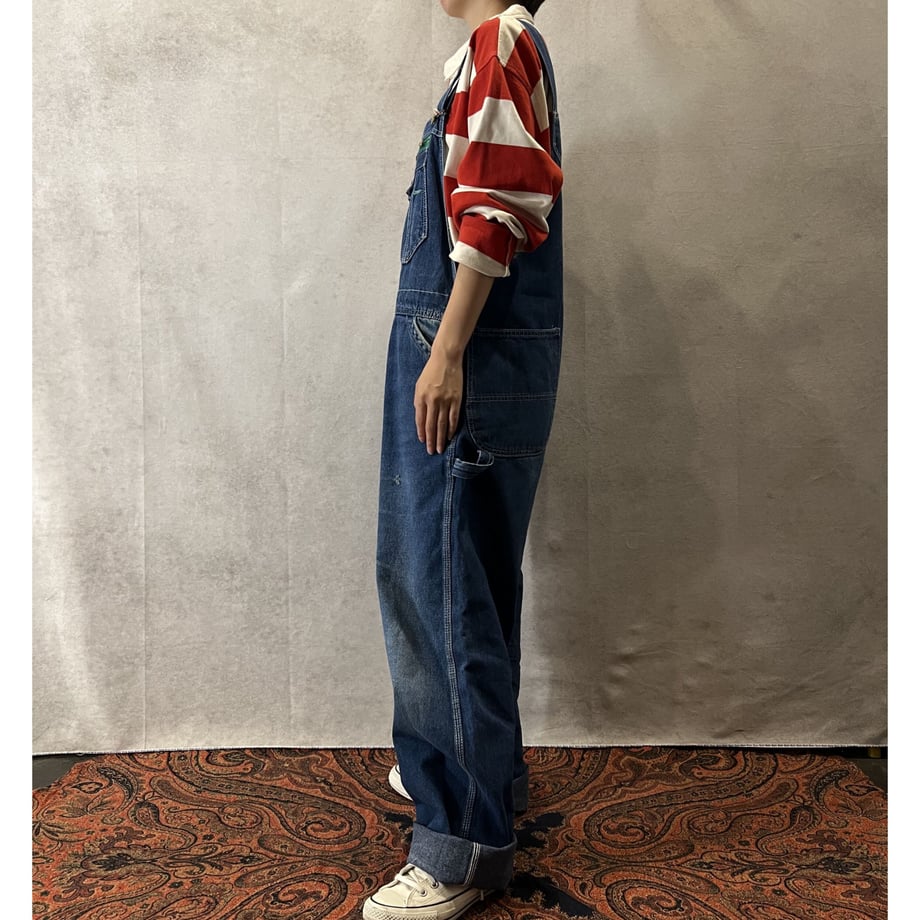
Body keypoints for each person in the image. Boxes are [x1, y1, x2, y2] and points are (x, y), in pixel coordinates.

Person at [365, 1, 563, 917]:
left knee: (437, 590)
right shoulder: (500, 50)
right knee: (468, 585)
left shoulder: (498, 43)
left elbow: (492, 213)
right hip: (483, 354)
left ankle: (461, 844)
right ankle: (482, 772)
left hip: (465, 355)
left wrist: (444, 355)